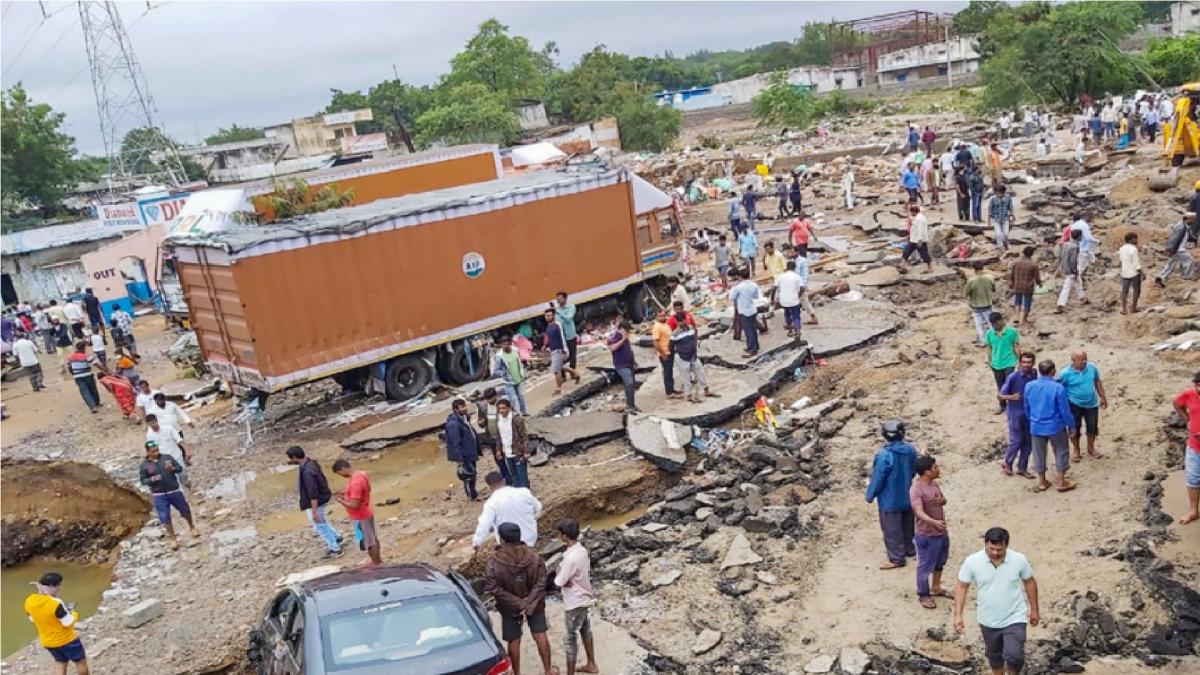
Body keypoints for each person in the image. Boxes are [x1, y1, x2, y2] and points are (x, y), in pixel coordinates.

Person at [954, 527, 1040, 675]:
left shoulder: (1019, 560)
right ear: (985, 543)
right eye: (991, 549)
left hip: (1015, 617)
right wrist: (958, 615)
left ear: (1007, 545)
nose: (995, 553)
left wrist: (1035, 610)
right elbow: (962, 586)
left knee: (1014, 655)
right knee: (994, 655)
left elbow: (1029, 582)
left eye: (999, 550)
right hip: (987, 619)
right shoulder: (972, 562)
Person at [485, 522, 555, 675]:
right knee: (540, 634)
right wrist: (529, 601)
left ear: (502, 539)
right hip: (535, 603)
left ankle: (517, 673)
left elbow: (493, 587)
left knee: (514, 640)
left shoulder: (494, 561)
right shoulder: (534, 556)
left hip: (509, 607)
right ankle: (548, 670)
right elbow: (542, 580)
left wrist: (518, 602)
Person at [865, 419, 918, 569]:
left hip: (889, 499)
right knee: (907, 525)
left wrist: (870, 495)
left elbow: (878, 478)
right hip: (907, 494)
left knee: (891, 529)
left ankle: (896, 558)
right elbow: (914, 469)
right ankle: (909, 549)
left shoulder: (884, 455)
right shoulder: (910, 450)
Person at [1024, 359, 1077, 493]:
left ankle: (1042, 482)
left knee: (1038, 453)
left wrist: (1032, 420)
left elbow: (1027, 406)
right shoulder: (1058, 388)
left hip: (1036, 426)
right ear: (1053, 371)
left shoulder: (1029, 386)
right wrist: (1071, 426)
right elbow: (1065, 411)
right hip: (1055, 426)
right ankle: (1061, 481)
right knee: (1061, 451)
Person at [554, 519, 599, 675]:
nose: (558, 536)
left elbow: (558, 582)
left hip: (574, 601)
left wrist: (559, 573)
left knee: (570, 639)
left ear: (565, 536)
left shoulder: (570, 558)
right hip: (584, 597)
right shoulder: (582, 551)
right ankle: (591, 664)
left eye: (559, 534)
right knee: (585, 630)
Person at [25, 571, 89, 675]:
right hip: (67, 640)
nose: (60, 588)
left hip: (48, 642)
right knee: (80, 662)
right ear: (52, 586)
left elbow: (32, 619)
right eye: (59, 585)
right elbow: (68, 622)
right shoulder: (55, 603)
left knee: (60, 662)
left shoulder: (29, 601)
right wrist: (74, 613)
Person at [139, 441, 198, 550]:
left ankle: (192, 527)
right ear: (148, 452)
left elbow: (179, 468)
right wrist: (152, 479)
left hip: (174, 491)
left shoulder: (167, 458)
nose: (156, 453)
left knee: (185, 510)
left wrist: (173, 469)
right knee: (165, 517)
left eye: (157, 450)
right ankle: (173, 539)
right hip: (159, 495)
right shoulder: (144, 465)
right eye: (153, 451)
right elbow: (143, 480)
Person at [286, 446, 343, 559]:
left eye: (291, 458)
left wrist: (314, 510)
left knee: (318, 524)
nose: (290, 460)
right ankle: (336, 537)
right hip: (323, 496)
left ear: (295, 457)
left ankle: (335, 548)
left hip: (317, 501)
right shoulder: (311, 463)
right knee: (322, 520)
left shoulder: (307, 472)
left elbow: (313, 493)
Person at [910, 455, 951, 609]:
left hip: (941, 532)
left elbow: (943, 500)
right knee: (925, 566)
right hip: (927, 535)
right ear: (927, 472)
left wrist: (943, 501)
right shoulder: (916, 490)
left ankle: (936, 587)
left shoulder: (933, 484)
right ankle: (923, 594)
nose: (938, 470)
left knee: (940, 562)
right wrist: (933, 522)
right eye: (935, 468)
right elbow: (918, 511)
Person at [1057, 351, 1107, 462]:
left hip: (1091, 404)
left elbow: (1097, 381)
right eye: (1081, 360)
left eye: (1085, 359)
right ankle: (1076, 449)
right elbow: (1059, 388)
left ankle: (1091, 447)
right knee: (1074, 428)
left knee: (1092, 428)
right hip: (1074, 404)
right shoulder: (1065, 373)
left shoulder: (1092, 368)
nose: (1084, 362)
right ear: (1073, 360)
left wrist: (1103, 397)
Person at [332, 458, 382, 568]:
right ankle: (377, 560)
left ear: (343, 469)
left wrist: (341, 501)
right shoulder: (362, 474)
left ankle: (376, 563)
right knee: (372, 538)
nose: (342, 476)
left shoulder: (355, 483)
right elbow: (368, 489)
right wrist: (346, 494)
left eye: (340, 473)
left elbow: (354, 505)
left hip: (360, 516)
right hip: (366, 511)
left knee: (369, 542)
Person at [473, 472, 543, 548]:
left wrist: (477, 543)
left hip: (511, 545)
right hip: (531, 539)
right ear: (504, 481)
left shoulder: (491, 503)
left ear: (490, 487)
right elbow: (539, 507)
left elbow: (484, 525)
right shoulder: (524, 492)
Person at [998, 353, 1039, 478]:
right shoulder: (1013, 377)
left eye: (1029, 362)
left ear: (1033, 363)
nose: (1026, 365)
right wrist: (1011, 397)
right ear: (1020, 363)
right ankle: (1007, 463)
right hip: (1015, 414)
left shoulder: (1034, 373)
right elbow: (1000, 395)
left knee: (1028, 442)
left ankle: (1022, 468)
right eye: (1024, 362)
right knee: (1016, 441)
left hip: (1029, 414)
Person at [669, 303, 711, 402]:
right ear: (677, 322)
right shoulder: (674, 334)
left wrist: (695, 347)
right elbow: (671, 346)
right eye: (680, 321)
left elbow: (695, 336)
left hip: (693, 355)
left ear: (685, 319)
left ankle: (706, 390)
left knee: (700, 372)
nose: (681, 323)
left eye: (683, 320)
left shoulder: (691, 328)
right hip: (682, 357)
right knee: (686, 376)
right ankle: (688, 395)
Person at [1174, 372, 1200, 525]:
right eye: (1197, 385)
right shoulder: (1189, 395)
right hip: (1194, 446)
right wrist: (1187, 419)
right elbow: (1176, 403)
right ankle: (1194, 511)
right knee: (1193, 479)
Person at [446, 398, 483, 500]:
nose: (465, 408)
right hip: (465, 455)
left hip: (470, 452)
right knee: (467, 476)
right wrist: (459, 459)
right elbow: (455, 443)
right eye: (462, 407)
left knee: (473, 473)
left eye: (465, 406)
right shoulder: (454, 424)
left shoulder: (464, 418)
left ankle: (473, 493)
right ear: (455, 410)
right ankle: (471, 496)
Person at [985, 312, 1022, 414]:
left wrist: (1019, 360)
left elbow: (1016, 346)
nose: (995, 326)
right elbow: (989, 348)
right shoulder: (989, 333)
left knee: (1010, 384)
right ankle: (1002, 406)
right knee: (1000, 385)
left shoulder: (1012, 332)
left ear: (1002, 320)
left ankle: (1012, 405)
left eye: (997, 323)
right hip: (996, 363)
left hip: (1009, 362)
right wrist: (989, 361)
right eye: (993, 324)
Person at [476, 387, 512, 484]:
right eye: (488, 399)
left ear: (495, 396)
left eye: (491, 399)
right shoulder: (483, 407)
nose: (490, 401)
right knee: (499, 460)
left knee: (509, 458)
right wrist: (481, 423)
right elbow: (480, 422)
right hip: (492, 438)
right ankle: (506, 478)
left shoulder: (502, 405)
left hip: (504, 437)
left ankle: (512, 477)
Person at [495, 397, 532, 490]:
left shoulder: (517, 419)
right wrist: (498, 450)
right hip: (507, 452)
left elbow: (524, 436)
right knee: (513, 475)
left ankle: (525, 493)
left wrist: (526, 451)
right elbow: (499, 436)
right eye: (499, 409)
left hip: (518, 451)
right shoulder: (499, 420)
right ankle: (517, 493)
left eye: (503, 408)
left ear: (509, 408)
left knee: (522, 475)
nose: (501, 411)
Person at [544, 307, 581, 395]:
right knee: (559, 367)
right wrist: (545, 345)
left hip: (558, 350)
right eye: (546, 315)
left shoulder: (557, 325)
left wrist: (564, 349)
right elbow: (550, 338)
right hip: (553, 350)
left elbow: (562, 337)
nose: (547, 317)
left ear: (553, 316)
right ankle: (576, 374)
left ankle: (559, 388)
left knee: (556, 370)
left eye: (549, 315)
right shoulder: (549, 326)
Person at [1154, 214, 1198, 286]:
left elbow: (1189, 236)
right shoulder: (1181, 227)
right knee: (1189, 260)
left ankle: (1160, 278)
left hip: (1176, 249)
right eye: (1193, 219)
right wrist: (1171, 250)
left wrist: (1195, 240)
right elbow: (1174, 239)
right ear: (1189, 218)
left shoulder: (1185, 226)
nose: (1194, 221)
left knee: (1171, 264)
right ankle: (1186, 277)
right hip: (1177, 249)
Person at [492, 335, 529, 416]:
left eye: (507, 344)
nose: (505, 346)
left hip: (519, 378)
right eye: (503, 344)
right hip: (508, 381)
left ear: (510, 344)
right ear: (501, 345)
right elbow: (496, 371)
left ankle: (524, 412)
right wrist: (504, 373)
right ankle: (516, 414)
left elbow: (519, 362)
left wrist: (522, 372)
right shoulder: (499, 356)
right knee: (513, 398)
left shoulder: (515, 351)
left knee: (521, 396)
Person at [608, 321, 639, 415]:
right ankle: (630, 407)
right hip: (621, 365)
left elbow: (629, 349)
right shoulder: (615, 336)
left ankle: (632, 405)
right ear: (621, 329)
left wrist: (634, 361)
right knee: (629, 383)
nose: (627, 332)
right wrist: (622, 339)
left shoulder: (625, 337)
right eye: (626, 330)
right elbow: (612, 348)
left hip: (629, 364)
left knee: (631, 385)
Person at [146, 413, 190, 478]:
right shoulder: (149, 435)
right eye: (150, 424)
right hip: (164, 460)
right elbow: (152, 449)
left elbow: (180, 441)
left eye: (153, 422)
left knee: (182, 474)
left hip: (176, 456)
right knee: (170, 477)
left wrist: (187, 452)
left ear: (157, 420)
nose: (153, 425)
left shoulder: (168, 428)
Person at [730, 268, 760, 357]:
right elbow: (756, 296)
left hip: (744, 311)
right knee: (753, 329)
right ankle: (754, 346)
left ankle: (752, 350)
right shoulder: (754, 284)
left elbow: (731, 297)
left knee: (748, 331)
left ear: (740, 276)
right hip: (752, 309)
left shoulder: (738, 287)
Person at [965, 263, 997, 347]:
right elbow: (993, 289)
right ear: (983, 268)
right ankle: (995, 340)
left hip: (976, 305)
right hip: (987, 304)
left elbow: (966, 293)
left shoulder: (971, 280)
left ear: (974, 269)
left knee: (978, 324)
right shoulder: (990, 278)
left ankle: (982, 342)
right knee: (991, 323)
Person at [1056, 229, 1087, 312]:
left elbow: (1060, 256)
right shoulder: (1075, 247)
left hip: (1065, 267)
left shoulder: (1065, 244)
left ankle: (1082, 297)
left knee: (1078, 281)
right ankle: (1061, 304)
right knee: (1067, 286)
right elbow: (1073, 260)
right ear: (1079, 237)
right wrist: (1074, 271)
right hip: (1071, 270)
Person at [66, 342, 102, 413]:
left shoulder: (71, 356)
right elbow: (96, 365)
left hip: (78, 377)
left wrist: (73, 374)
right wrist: (105, 370)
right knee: (93, 389)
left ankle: (92, 407)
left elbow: (69, 366)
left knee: (85, 392)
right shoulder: (86, 356)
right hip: (88, 375)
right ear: (83, 348)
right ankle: (97, 402)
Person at [1008, 247, 1041, 326]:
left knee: (1017, 301)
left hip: (1017, 285)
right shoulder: (1033, 265)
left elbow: (1012, 275)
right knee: (1027, 302)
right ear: (1032, 254)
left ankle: (1017, 317)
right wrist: (1039, 284)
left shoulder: (1016, 262)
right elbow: (1037, 277)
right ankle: (1024, 319)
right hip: (1028, 287)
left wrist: (1012, 283)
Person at [652, 310, 679, 399]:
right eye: (660, 316)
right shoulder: (657, 327)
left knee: (670, 371)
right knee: (667, 372)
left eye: (663, 315)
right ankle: (669, 392)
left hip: (670, 351)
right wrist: (662, 353)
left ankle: (672, 389)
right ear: (657, 317)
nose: (663, 317)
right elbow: (655, 342)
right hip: (664, 352)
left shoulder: (665, 324)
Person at [775, 260, 805, 338]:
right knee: (796, 316)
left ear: (786, 267)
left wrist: (773, 299)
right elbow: (802, 288)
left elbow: (774, 288)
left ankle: (790, 331)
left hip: (784, 300)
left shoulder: (780, 276)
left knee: (787, 315)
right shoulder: (797, 277)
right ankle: (797, 331)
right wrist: (798, 295)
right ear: (794, 268)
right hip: (794, 300)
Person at [900, 203, 933, 272]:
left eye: (911, 212)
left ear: (913, 212)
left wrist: (920, 240)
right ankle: (902, 264)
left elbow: (920, 229)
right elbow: (911, 221)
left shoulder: (919, 219)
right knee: (906, 251)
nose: (910, 213)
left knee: (924, 253)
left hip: (919, 240)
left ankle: (930, 268)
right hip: (913, 239)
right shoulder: (917, 217)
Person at [1117, 232, 1143, 314]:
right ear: (1130, 240)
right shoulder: (1134, 249)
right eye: (1135, 239)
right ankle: (1133, 308)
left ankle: (1124, 309)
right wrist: (1142, 273)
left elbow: (1121, 261)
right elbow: (1136, 264)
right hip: (1134, 273)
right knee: (1136, 290)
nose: (1136, 240)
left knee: (1124, 291)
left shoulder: (1121, 248)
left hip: (1125, 273)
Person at [1071, 212, 1101, 277]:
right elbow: (1088, 238)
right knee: (1080, 269)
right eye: (1090, 217)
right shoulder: (1084, 225)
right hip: (1083, 249)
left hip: (1075, 249)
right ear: (1085, 217)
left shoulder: (1073, 225)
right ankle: (1074, 281)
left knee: (1079, 266)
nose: (1090, 220)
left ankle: (1083, 279)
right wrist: (1096, 241)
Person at [555, 291, 579, 371]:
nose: (558, 300)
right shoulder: (556, 311)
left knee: (572, 355)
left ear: (565, 299)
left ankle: (573, 372)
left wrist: (559, 313)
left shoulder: (571, 307)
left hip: (570, 335)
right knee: (562, 356)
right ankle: (563, 374)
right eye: (557, 299)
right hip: (561, 337)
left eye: (560, 298)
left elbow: (569, 318)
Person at [988, 185, 1014, 252]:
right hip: (996, 219)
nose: (998, 195)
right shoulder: (992, 199)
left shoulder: (1008, 198)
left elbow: (1011, 207)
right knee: (998, 234)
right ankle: (1000, 248)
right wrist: (989, 221)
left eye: (999, 193)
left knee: (1006, 234)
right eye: (996, 193)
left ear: (1003, 192)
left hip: (1005, 218)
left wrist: (1012, 216)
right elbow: (990, 210)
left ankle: (1006, 244)